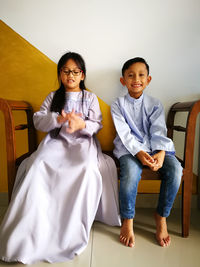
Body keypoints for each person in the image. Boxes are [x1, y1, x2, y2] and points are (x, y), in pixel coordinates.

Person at [0, 52, 121, 264]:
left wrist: (81, 124)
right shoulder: (52, 97)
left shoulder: (89, 97)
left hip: (82, 144)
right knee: (37, 165)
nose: (70, 75)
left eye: (75, 71)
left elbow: (97, 123)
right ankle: (34, 222)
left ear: (82, 75)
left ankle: (70, 225)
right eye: (65, 71)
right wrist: (58, 119)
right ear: (60, 74)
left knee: (85, 168)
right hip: (56, 142)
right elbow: (39, 121)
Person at [111, 57, 182, 248]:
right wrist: (139, 153)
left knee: (175, 170)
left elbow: (159, 130)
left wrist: (160, 153)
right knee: (131, 174)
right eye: (131, 75)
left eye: (141, 75)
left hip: (156, 148)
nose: (136, 79)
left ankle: (161, 216)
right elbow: (124, 134)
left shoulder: (155, 104)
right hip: (128, 150)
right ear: (123, 80)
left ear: (148, 79)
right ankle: (127, 220)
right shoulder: (117, 105)